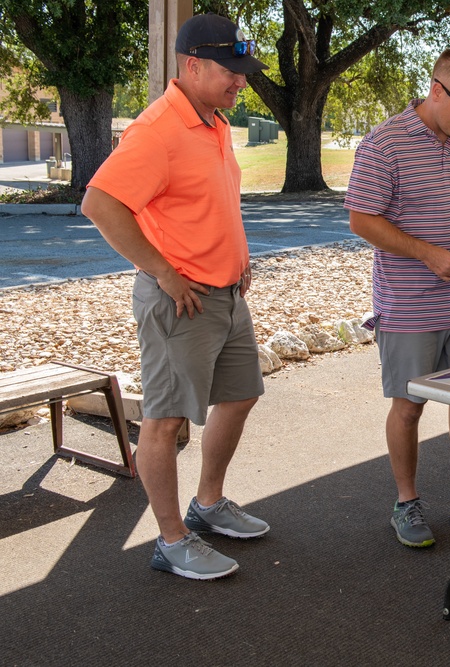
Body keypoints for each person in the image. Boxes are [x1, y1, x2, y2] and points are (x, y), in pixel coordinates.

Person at [81, 14, 270, 580]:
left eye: (243, 71)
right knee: (164, 423)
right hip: (181, 301)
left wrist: (238, 258)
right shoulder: (158, 128)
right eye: (231, 72)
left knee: (239, 397)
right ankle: (170, 540)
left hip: (226, 296)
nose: (242, 82)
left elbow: (205, 205)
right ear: (192, 66)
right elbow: (100, 204)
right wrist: (162, 271)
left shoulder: (211, 122)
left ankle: (207, 505)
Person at [345, 49, 450, 549]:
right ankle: (406, 502)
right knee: (408, 407)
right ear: (437, 90)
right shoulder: (383, 144)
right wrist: (426, 253)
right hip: (408, 305)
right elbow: (362, 220)